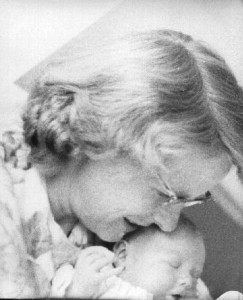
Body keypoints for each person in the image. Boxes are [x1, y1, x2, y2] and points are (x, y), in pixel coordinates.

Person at [1, 29, 243, 298]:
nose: (169, 224)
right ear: (104, 134)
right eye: (166, 194)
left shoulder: (108, 232)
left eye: (188, 201)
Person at [63, 216, 212, 300]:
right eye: (174, 265)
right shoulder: (101, 280)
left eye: (196, 275)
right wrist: (80, 289)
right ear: (123, 255)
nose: (188, 281)